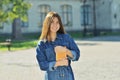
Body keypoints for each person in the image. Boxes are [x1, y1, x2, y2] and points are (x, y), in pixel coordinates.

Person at [36, 11, 80, 80]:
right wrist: (58, 63)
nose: (55, 25)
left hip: (68, 77)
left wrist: (66, 51)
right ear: (47, 24)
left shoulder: (66, 38)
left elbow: (77, 55)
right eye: (52, 22)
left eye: (57, 22)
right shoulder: (42, 44)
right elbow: (42, 65)